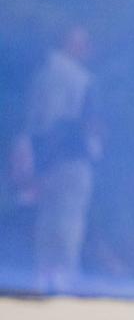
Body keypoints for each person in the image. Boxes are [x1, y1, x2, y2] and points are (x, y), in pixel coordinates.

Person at [10, 24, 102, 293]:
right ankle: (64, 277)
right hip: (69, 158)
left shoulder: (43, 74)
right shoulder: (79, 78)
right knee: (67, 219)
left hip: (46, 158)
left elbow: (35, 120)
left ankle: (45, 275)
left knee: (48, 220)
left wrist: (36, 159)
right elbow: (75, 122)